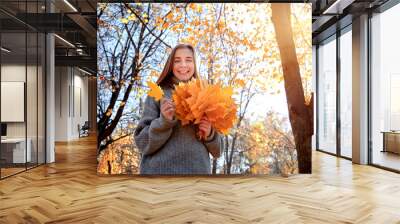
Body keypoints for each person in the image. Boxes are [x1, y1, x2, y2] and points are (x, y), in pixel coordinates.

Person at [134, 44, 221, 175]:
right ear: (171, 65)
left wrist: (210, 134)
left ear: (194, 64)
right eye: (177, 61)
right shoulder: (158, 94)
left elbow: (218, 151)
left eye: (188, 60)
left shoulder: (206, 95)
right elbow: (142, 143)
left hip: (197, 178)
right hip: (159, 176)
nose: (183, 65)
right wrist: (164, 122)